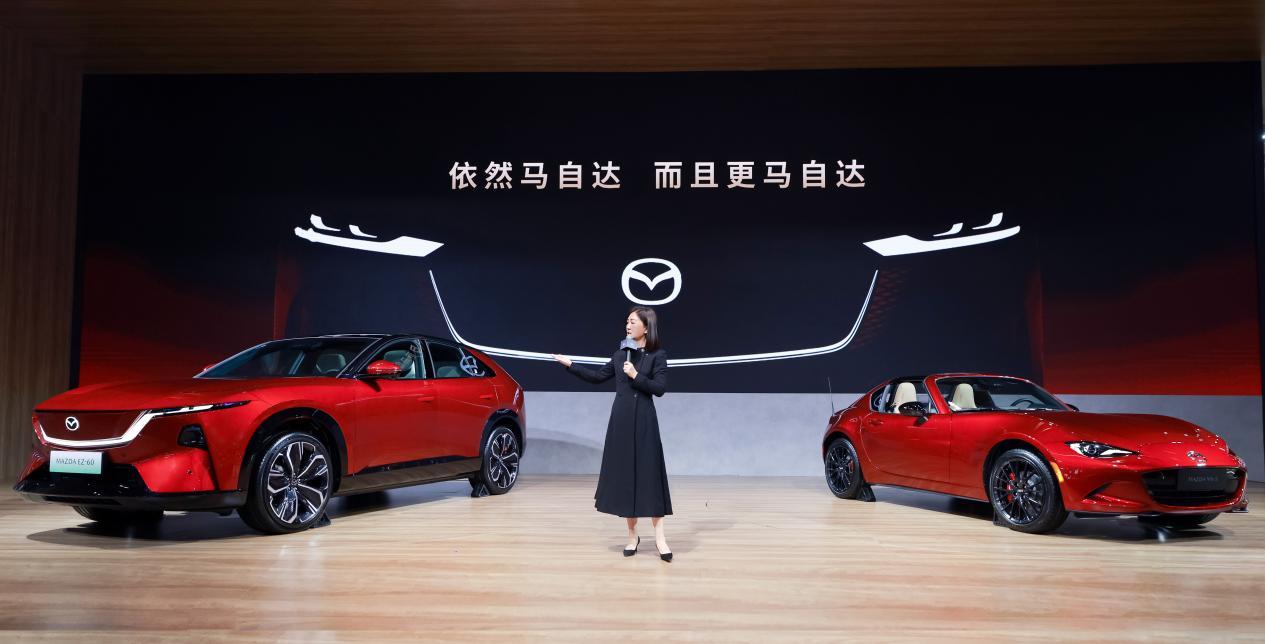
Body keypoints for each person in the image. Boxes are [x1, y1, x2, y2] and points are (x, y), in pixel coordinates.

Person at [552, 306, 673, 562]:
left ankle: (660, 538)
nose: (627, 326)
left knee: (650, 475)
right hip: (621, 420)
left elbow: (660, 388)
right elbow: (597, 377)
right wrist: (570, 365)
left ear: (646, 327)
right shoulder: (620, 355)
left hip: (645, 420)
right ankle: (632, 536)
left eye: (632, 322)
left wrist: (635, 375)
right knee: (626, 476)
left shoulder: (657, 355)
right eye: (627, 322)